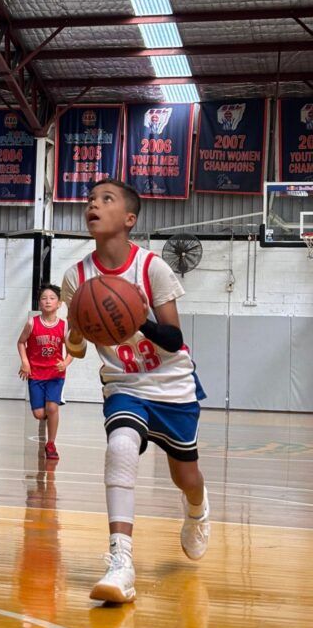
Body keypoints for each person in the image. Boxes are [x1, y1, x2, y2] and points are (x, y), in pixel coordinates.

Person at [61, 178, 210, 605]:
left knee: (186, 477)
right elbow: (77, 347)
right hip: (124, 384)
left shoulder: (152, 268)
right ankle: (120, 561)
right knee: (121, 447)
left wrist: (138, 318)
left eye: (106, 199)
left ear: (129, 219)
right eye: (91, 199)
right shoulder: (76, 277)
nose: (93, 204)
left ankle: (197, 509)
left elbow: (174, 339)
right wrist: (76, 334)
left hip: (171, 382)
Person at [17, 283, 71, 462]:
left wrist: (66, 362)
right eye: (44, 298)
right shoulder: (32, 323)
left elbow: (73, 349)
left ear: (59, 303)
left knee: (52, 407)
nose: (48, 301)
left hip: (55, 374)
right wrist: (25, 362)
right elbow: (21, 342)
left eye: (52, 298)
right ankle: (49, 412)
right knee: (39, 414)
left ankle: (51, 444)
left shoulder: (64, 325)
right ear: (39, 303)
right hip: (36, 374)